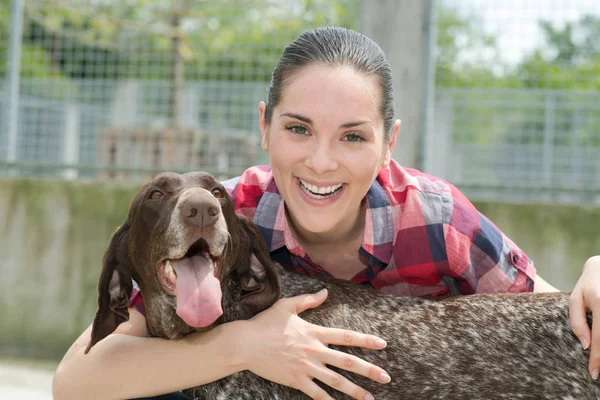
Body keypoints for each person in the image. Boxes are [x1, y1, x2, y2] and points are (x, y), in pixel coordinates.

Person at [52, 26, 600, 400]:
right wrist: (244, 344)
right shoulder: (220, 213)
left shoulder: (436, 219)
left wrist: (595, 275)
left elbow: (556, 317)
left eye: (353, 136)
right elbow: (77, 379)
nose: (320, 162)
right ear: (264, 126)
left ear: (390, 144)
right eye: (298, 128)